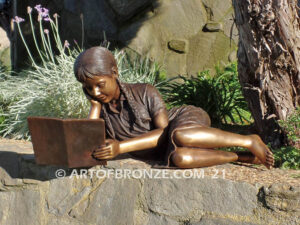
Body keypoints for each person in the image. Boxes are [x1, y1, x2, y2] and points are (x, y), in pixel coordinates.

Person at [73, 46, 274, 169]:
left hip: (181, 121)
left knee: (180, 137)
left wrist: (121, 147)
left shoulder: (144, 92)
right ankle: (241, 157)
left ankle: (248, 141)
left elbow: (164, 131)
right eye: (88, 88)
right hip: (165, 151)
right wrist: (94, 108)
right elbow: (89, 148)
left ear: (114, 73)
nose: (95, 92)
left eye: (100, 85)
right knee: (180, 158)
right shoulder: (102, 108)